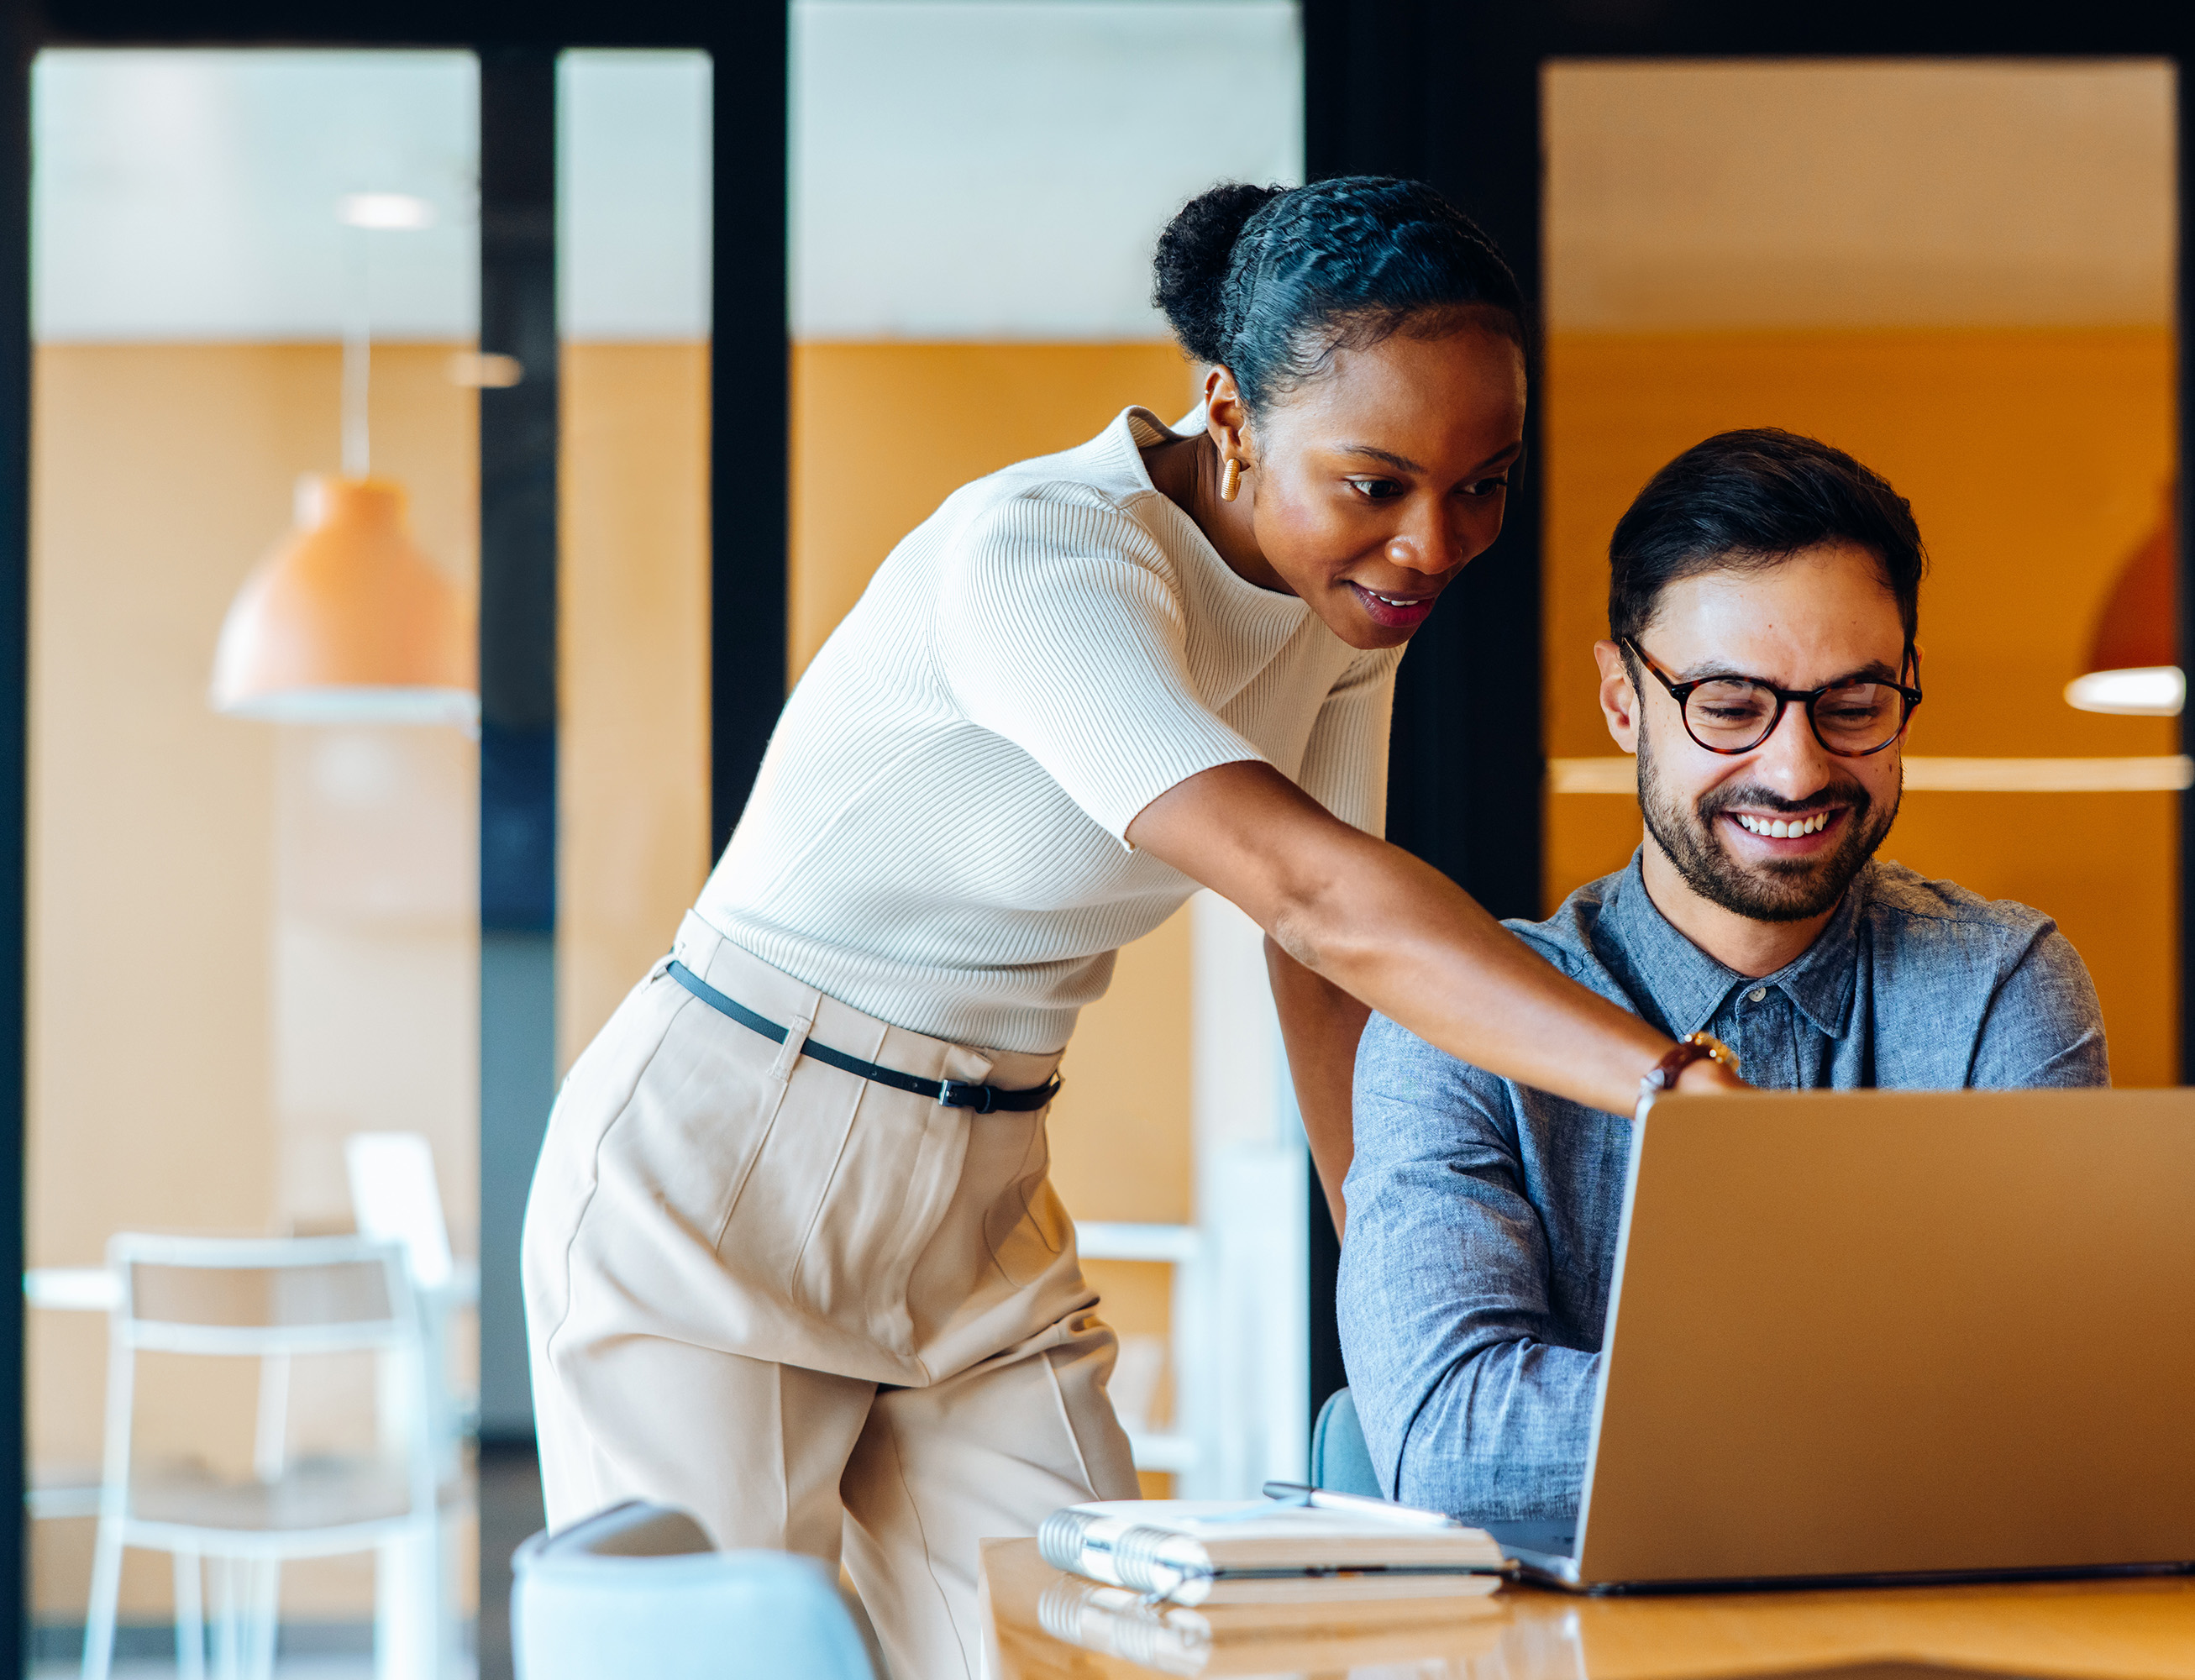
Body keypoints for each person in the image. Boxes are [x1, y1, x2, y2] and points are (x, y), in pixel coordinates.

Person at [522, 177, 1741, 1680]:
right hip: (724, 1163)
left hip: (981, 1186)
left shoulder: (1339, 606)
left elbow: (1319, 969)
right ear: (1228, 414)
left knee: (1099, 1654)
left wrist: (1396, 1288)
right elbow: (1308, 892)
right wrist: (1666, 1086)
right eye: (1376, 483)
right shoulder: (1036, 559)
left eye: (1481, 483)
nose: (1431, 544)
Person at [1337, 428, 2109, 1525]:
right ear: (1621, 701)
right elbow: (1455, 1448)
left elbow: (2068, 1422)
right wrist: (1927, 1405)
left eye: (1850, 706)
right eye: (1730, 707)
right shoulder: (1447, 1025)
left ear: (1907, 691)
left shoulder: (2001, 986)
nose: (1794, 769)